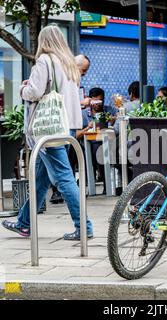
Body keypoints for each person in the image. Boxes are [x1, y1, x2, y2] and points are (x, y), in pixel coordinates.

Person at [1, 24, 93, 240]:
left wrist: (24, 88)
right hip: (66, 125)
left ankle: (84, 227)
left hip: (49, 128)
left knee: (63, 177)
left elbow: (34, 92)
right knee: (42, 178)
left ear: (44, 41)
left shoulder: (45, 61)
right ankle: (24, 223)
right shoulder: (70, 64)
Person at [49, 53, 91, 204]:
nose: (84, 74)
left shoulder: (71, 77)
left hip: (67, 126)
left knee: (63, 165)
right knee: (64, 167)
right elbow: (67, 103)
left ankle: (28, 214)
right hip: (64, 126)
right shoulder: (68, 76)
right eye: (83, 70)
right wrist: (83, 102)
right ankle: (71, 197)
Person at [76, 87, 118, 194]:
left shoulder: (109, 110)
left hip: (108, 142)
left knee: (101, 150)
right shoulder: (83, 114)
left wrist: (113, 119)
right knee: (97, 150)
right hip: (89, 144)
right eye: (95, 101)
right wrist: (88, 127)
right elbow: (76, 135)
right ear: (90, 100)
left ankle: (105, 185)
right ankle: (93, 184)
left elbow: (119, 119)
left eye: (100, 101)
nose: (98, 104)